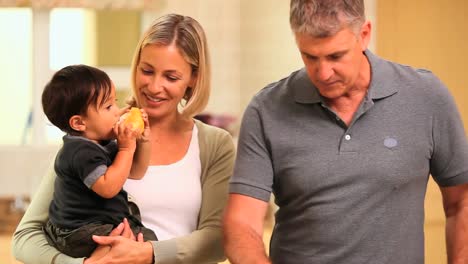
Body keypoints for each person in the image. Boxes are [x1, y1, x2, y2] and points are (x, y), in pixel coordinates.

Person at [223, 0, 468, 263]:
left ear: (364, 34)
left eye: (335, 56)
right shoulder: (266, 109)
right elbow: (242, 224)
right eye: (310, 57)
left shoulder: (426, 96)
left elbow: (461, 202)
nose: (323, 73)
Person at [13, 14, 236, 264]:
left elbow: (219, 241)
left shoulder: (215, 144)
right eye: (147, 70)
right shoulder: (96, 134)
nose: (153, 86)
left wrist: (148, 253)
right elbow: (25, 238)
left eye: (171, 77)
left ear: (193, 79)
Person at [40, 64, 156, 259]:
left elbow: (136, 171)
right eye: (108, 106)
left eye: (115, 102)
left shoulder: (102, 143)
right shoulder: (79, 151)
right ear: (79, 123)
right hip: (78, 232)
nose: (117, 112)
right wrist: (126, 149)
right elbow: (108, 187)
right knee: (146, 243)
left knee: (147, 242)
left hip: (93, 226)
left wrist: (143, 140)